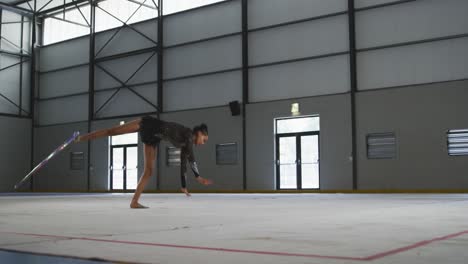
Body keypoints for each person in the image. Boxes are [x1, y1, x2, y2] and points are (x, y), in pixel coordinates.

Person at [75, 115, 213, 208]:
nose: (203, 143)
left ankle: (134, 202)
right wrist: (198, 177)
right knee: (113, 131)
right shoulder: (189, 135)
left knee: (149, 171)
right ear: (199, 133)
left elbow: (184, 160)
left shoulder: (186, 143)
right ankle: (81, 138)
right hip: (148, 124)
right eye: (204, 140)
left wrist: (183, 185)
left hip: (153, 139)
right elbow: (191, 158)